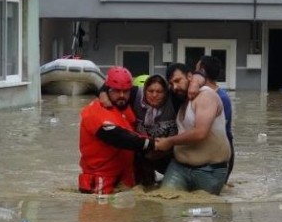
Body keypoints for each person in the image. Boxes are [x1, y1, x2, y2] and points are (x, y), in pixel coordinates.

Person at [155, 63, 231, 195]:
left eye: (178, 81)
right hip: (178, 168)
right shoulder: (181, 100)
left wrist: (169, 142)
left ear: (190, 76)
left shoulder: (206, 95)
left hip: (209, 170)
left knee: (203, 212)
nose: (175, 87)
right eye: (171, 83)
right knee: (164, 204)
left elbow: (200, 133)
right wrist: (105, 92)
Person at [78, 66, 156, 194]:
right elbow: (120, 138)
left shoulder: (125, 108)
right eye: (117, 91)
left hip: (124, 176)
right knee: (97, 212)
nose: (122, 95)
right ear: (108, 90)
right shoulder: (94, 112)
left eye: (126, 91)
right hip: (101, 179)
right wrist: (154, 143)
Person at [99, 74, 181, 186]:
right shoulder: (135, 95)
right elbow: (112, 87)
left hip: (168, 155)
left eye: (159, 92)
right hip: (142, 154)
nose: (154, 95)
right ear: (145, 90)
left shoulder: (175, 100)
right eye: (150, 91)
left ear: (166, 93)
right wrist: (102, 93)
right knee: (141, 188)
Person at [190, 56, 235, 185]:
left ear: (202, 71)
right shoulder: (198, 93)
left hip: (219, 156)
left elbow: (210, 131)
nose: (194, 73)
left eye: (196, 70)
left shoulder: (221, 98)